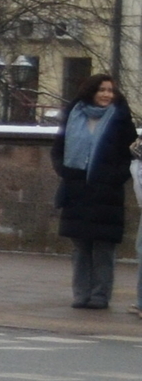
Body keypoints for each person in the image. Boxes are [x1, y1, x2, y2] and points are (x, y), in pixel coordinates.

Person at [52, 73, 135, 310]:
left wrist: (114, 178)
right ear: (91, 91)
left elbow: (131, 155)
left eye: (110, 90)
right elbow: (58, 149)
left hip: (107, 193)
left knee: (103, 247)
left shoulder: (120, 119)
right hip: (76, 190)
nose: (107, 94)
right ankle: (81, 293)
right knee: (80, 247)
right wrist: (65, 170)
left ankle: (100, 295)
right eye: (102, 90)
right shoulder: (74, 114)